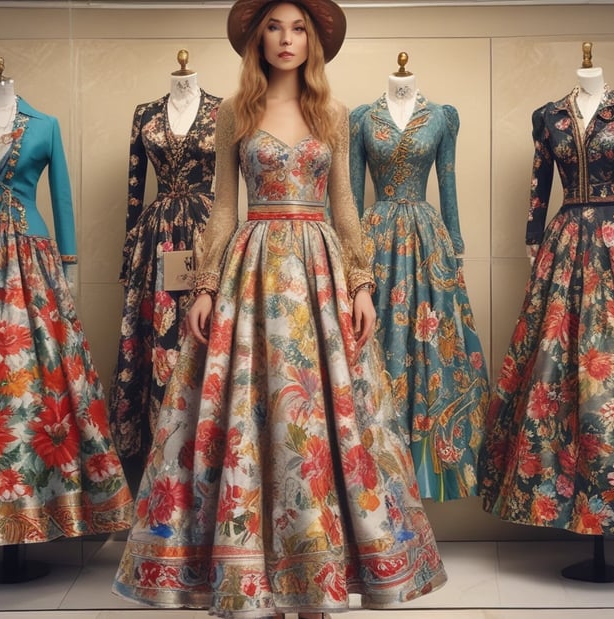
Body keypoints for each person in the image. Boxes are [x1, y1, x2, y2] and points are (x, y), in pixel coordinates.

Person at [112, 2, 447, 617]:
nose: (287, 39)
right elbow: (221, 209)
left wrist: (362, 283)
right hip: (253, 270)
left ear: (313, 42)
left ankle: (317, 582)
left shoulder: (335, 116)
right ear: (256, 38)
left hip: (318, 274)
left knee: (325, 420)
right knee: (247, 412)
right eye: (275, 26)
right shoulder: (234, 116)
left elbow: (345, 206)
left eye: (299, 29)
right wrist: (206, 286)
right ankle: (250, 580)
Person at [0, 64, 133, 548]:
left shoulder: (47, 125)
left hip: (33, 255)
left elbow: (61, 198)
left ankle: (48, 497)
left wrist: (70, 262)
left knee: (47, 373)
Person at [478, 61, 614, 536]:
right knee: (555, 352)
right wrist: (533, 235)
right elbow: (539, 185)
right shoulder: (548, 116)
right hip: (565, 236)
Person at [349, 57, 489, 501]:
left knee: (432, 353)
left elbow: (447, 183)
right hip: (375, 241)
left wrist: (455, 246)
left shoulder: (442, 117)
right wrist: (346, 259)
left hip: (429, 241)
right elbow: (352, 195)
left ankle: (427, 470)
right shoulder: (362, 118)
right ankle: (376, 471)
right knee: (379, 347)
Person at [108, 51, 221, 475]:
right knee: (155, 336)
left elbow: (230, 185)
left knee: (205, 334)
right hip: (155, 240)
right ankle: (158, 457)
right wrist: (128, 258)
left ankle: (206, 450)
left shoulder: (223, 111)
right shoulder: (146, 113)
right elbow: (135, 187)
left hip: (208, 234)